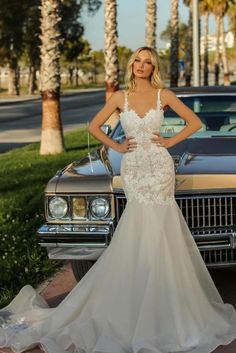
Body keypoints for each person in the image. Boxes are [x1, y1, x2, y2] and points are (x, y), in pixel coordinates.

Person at [0, 46, 236, 353]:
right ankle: (136, 301)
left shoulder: (163, 95)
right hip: (134, 167)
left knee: (162, 228)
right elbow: (93, 126)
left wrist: (168, 141)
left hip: (159, 165)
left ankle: (165, 305)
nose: (141, 65)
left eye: (147, 61)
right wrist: (117, 145)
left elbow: (193, 123)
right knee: (137, 227)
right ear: (132, 64)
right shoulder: (119, 98)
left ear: (154, 67)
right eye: (137, 60)